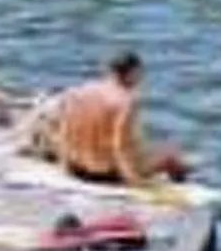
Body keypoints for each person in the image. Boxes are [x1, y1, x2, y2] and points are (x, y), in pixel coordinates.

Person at [56, 51, 190, 185]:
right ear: (133, 73)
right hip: (107, 173)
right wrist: (133, 180)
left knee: (145, 148)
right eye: (139, 74)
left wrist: (65, 167)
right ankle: (181, 188)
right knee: (171, 154)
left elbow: (64, 132)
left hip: (77, 168)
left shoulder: (78, 92)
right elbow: (119, 145)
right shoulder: (126, 101)